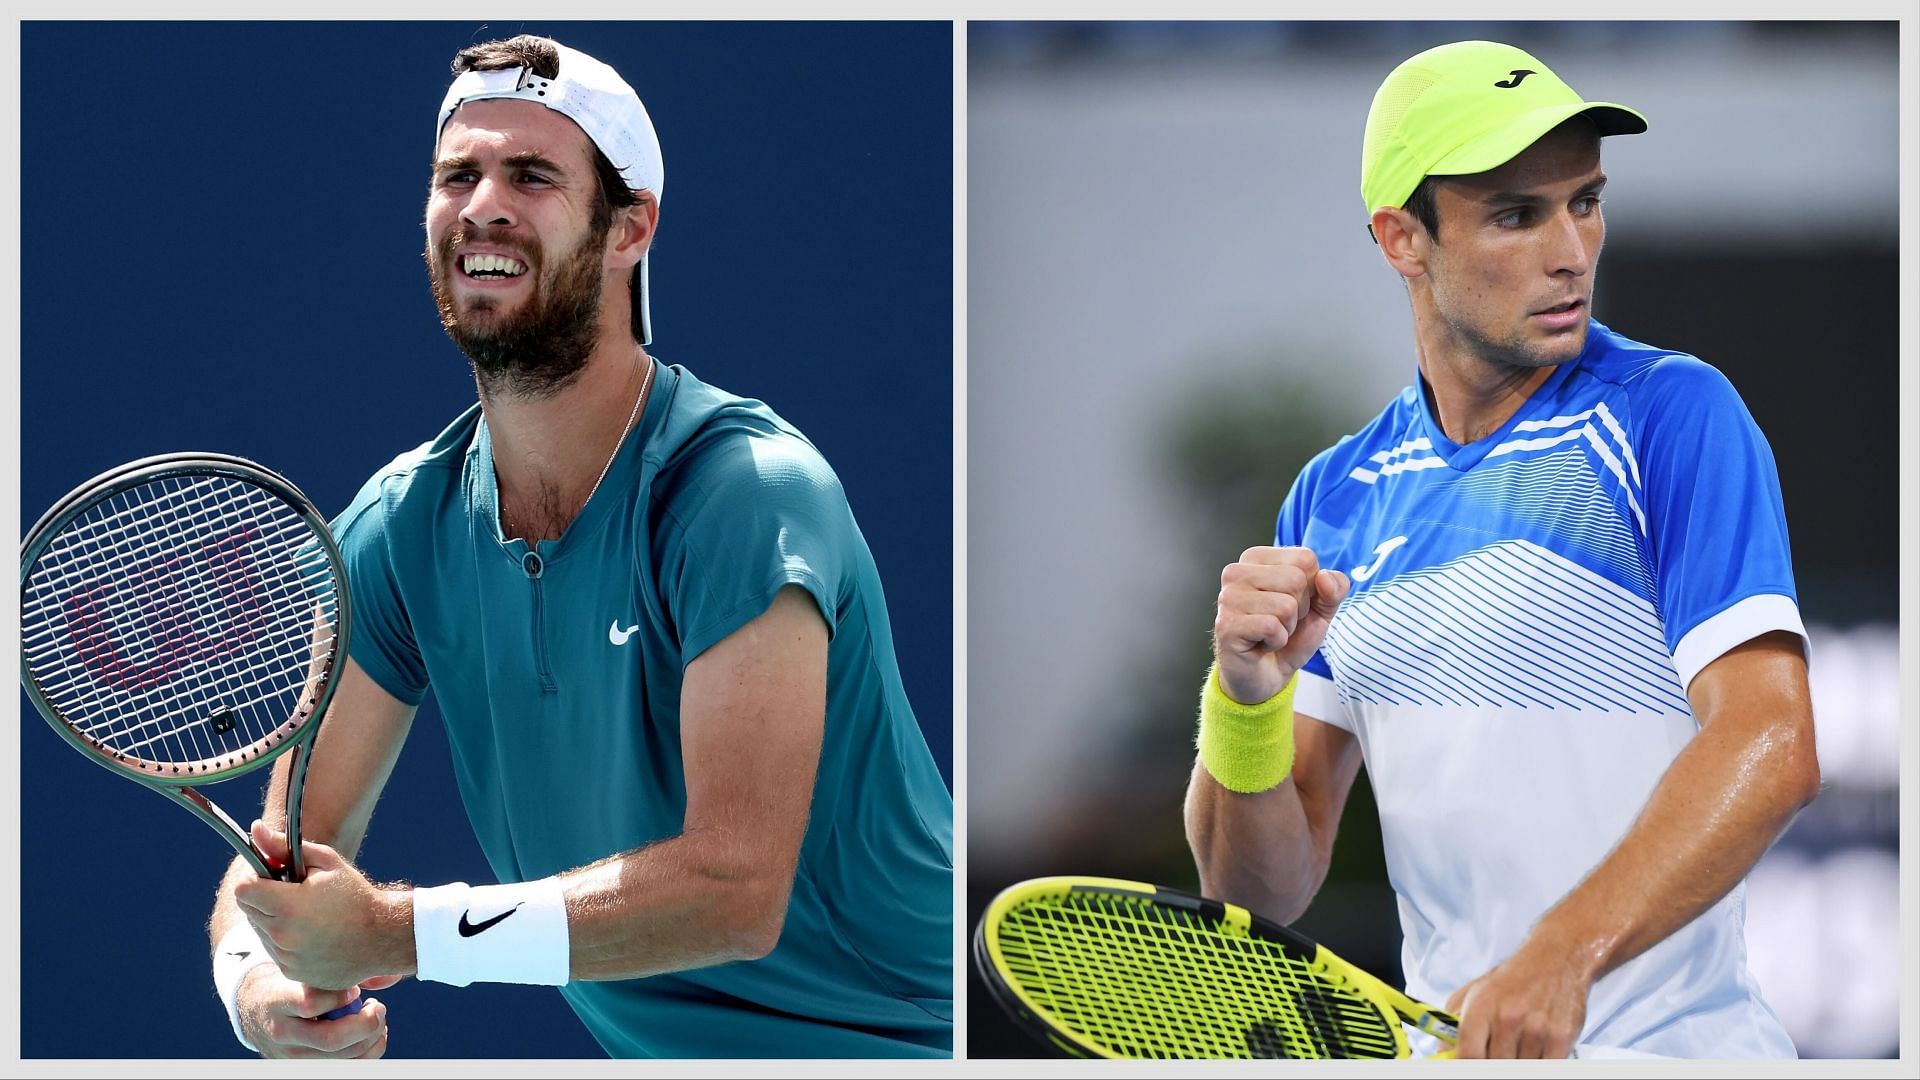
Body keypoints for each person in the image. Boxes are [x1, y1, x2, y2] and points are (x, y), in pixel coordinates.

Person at [204, 34, 953, 1060]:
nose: (483, 205)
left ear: (629, 229)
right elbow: (284, 869)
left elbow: (735, 893)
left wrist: (396, 932)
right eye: (457, 174)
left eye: (532, 176)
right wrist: (259, 990)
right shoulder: (401, 527)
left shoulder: (742, 495)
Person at [1184, 40, 1819, 1060]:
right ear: (1402, 239)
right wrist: (1244, 701)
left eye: (1586, 201)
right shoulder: (1332, 498)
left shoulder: (1671, 416)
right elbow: (1257, 890)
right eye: (1518, 215)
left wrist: (1561, 954)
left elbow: (1773, 743)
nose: (1572, 249)